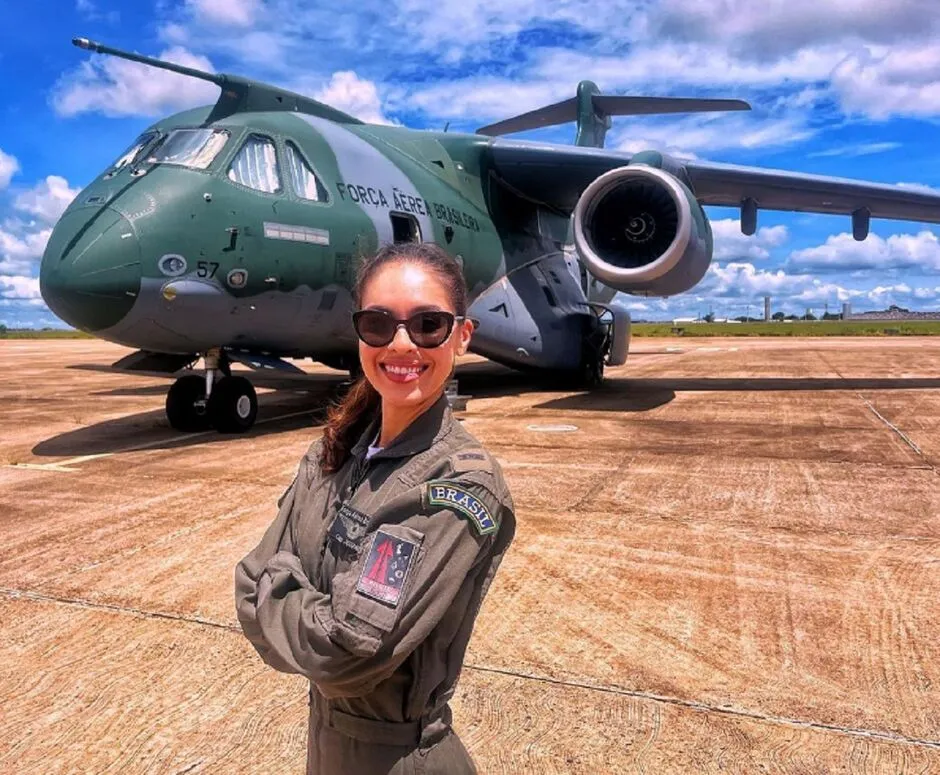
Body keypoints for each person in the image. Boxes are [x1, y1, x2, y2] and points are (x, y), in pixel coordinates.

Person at [234, 242, 516, 775]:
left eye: (429, 324)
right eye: (379, 324)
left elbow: (345, 652)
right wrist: (294, 597)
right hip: (328, 744)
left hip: (399, 757)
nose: (403, 344)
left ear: (462, 335)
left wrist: (280, 586)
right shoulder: (332, 454)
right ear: (359, 332)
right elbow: (246, 581)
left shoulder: (456, 484)